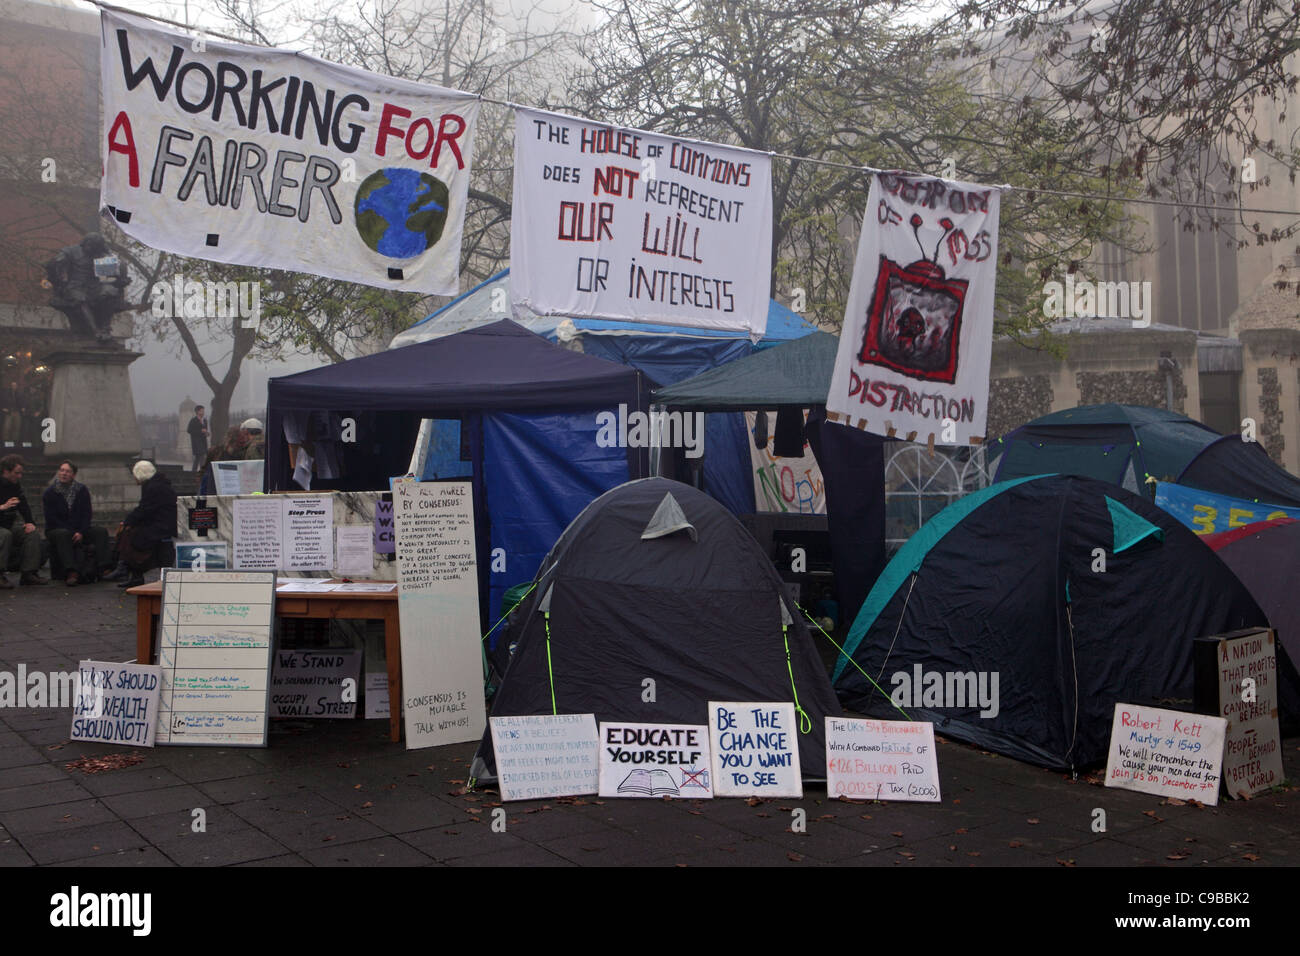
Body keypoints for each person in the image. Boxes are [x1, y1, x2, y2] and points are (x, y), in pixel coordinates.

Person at [44, 233, 128, 343]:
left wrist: (119, 277)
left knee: (109, 291)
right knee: (80, 299)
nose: (91, 250)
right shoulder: (72, 251)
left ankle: (105, 329)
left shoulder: (103, 254)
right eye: (89, 246)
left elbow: (111, 276)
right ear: (84, 244)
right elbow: (55, 263)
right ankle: (96, 332)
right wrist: (58, 280)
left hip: (95, 286)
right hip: (75, 286)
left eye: (94, 247)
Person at [42, 460, 111, 586]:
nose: (64, 474)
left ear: (73, 475)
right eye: (62, 470)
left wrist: (81, 532)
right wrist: (73, 532)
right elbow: (51, 519)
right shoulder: (50, 493)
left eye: (67, 471)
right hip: (57, 529)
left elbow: (87, 514)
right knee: (63, 534)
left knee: (101, 532)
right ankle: (71, 571)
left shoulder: (81, 490)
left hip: (79, 529)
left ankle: (103, 568)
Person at [113, 460, 177, 589]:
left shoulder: (154, 487)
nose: (134, 478)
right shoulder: (157, 484)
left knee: (131, 535)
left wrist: (127, 522)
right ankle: (129, 569)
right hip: (162, 524)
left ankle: (125, 566)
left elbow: (144, 509)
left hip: (160, 527)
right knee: (132, 532)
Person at [0, 454, 48, 587]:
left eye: (21, 473)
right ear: (6, 471)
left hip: (8, 525)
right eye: (17, 473)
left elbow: (24, 506)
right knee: (5, 535)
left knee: (31, 534)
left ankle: (29, 573)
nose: (20, 476)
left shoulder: (15, 485)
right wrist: (3, 507)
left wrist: (29, 522)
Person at [197, 426, 243, 496]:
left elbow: (204, 469)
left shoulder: (240, 453)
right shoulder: (216, 451)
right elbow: (205, 470)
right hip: (215, 489)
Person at [187, 405, 210, 471]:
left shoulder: (205, 420)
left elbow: (205, 430)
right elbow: (189, 430)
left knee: (197, 458)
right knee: (201, 456)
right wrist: (200, 431)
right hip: (196, 442)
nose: (203, 412)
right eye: (201, 411)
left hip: (203, 442)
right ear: (197, 411)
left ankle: (193, 472)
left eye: (203, 411)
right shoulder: (193, 420)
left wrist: (206, 433)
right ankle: (202, 472)